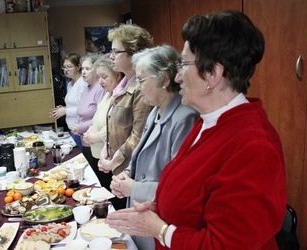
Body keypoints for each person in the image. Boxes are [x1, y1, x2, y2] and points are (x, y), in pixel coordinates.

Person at [105, 11, 287, 249]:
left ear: (213, 74)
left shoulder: (254, 146)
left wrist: (160, 229)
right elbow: (193, 196)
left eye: (183, 64)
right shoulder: (207, 122)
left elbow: (225, 245)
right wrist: (161, 207)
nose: (178, 76)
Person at [110, 45, 199, 250]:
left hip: (161, 221)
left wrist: (133, 187)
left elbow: (182, 187)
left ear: (165, 79)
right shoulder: (156, 110)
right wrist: (125, 174)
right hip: (143, 213)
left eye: (142, 80)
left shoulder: (185, 118)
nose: (139, 86)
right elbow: (140, 157)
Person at [98, 24, 154, 210]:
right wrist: (105, 152)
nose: (110, 56)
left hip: (131, 175)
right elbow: (113, 125)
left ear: (133, 54)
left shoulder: (141, 88)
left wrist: (112, 160)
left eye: (115, 51)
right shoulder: (122, 85)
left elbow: (138, 137)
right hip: (117, 169)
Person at [83, 54, 123, 190]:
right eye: (99, 77)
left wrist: (94, 137)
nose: (100, 81)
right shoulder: (107, 94)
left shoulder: (119, 97)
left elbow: (114, 125)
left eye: (104, 77)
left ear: (118, 76)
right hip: (97, 152)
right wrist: (90, 129)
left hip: (108, 157)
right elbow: (98, 117)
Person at [71, 53, 105, 165]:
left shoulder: (100, 89)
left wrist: (80, 127)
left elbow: (100, 116)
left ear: (96, 71)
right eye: (83, 69)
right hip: (84, 140)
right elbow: (81, 112)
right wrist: (76, 126)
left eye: (88, 69)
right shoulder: (87, 88)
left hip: (96, 142)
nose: (83, 72)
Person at [50, 53, 87, 151]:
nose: (66, 70)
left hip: (79, 128)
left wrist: (65, 111)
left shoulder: (82, 84)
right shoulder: (70, 84)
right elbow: (73, 104)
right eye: (64, 67)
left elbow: (83, 109)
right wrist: (63, 108)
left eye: (69, 67)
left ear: (78, 66)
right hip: (71, 127)